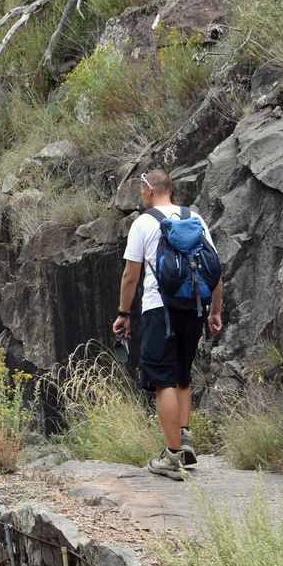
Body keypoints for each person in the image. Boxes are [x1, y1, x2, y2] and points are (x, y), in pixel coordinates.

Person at [112, 169, 223, 480]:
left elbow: (130, 276)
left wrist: (123, 313)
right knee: (182, 374)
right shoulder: (195, 218)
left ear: (149, 190)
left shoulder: (144, 223)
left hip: (160, 309)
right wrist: (214, 312)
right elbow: (215, 270)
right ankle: (184, 439)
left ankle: (173, 457)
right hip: (194, 307)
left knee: (163, 380)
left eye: (141, 191)